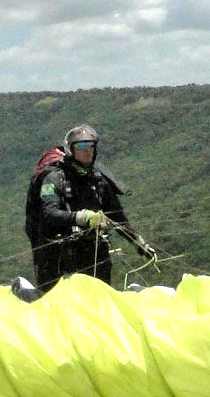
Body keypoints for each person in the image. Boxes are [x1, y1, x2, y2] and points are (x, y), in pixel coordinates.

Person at [24, 124, 155, 292]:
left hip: (93, 251)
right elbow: (49, 213)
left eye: (91, 146)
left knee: (100, 301)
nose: (88, 151)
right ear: (71, 149)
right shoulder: (54, 178)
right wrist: (83, 217)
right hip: (59, 256)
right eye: (81, 146)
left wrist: (138, 242)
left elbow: (117, 216)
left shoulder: (98, 179)